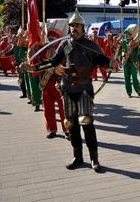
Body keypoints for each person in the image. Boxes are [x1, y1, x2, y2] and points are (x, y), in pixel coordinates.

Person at [22, 9, 110, 172]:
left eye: (77, 26)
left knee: (86, 123)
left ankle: (94, 159)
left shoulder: (91, 45)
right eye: (71, 26)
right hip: (68, 89)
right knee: (71, 124)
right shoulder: (65, 44)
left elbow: (104, 61)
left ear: (83, 28)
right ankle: (77, 157)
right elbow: (53, 61)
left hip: (84, 89)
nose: (73, 29)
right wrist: (33, 67)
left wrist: (111, 63)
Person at [39, 28, 69, 139]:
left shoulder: (64, 50)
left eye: (53, 38)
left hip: (60, 83)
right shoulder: (43, 49)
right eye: (49, 38)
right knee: (48, 109)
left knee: (64, 109)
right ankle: (52, 129)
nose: (51, 40)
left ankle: (67, 130)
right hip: (46, 83)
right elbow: (38, 62)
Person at [120, 26, 140, 100]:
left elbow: (139, 46)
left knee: (134, 78)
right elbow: (123, 51)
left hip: (133, 62)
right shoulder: (124, 42)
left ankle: (138, 90)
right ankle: (129, 92)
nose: (127, 35)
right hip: (126, 62)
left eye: (129, 34)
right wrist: (123, 57)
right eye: (126, 34)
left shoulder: (135, 41)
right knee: (126, 78)